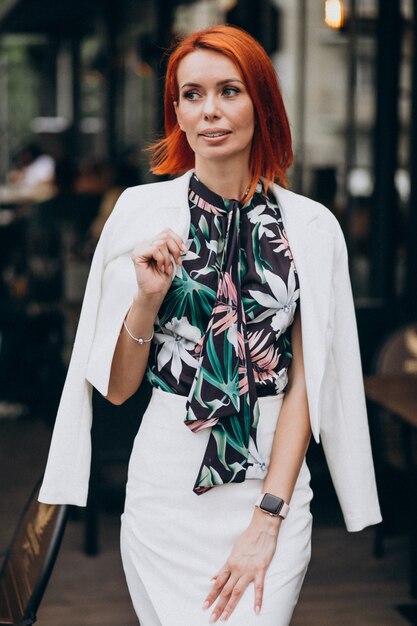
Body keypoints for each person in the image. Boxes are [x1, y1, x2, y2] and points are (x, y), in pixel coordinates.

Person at [39, 24, 382, 626]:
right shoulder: (139, 213)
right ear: (175, 110)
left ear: (261, 103)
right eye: (192, 95)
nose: (211, 111)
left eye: (229, 90)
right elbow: (118, 389)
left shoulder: (311, 228)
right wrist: (146, 299)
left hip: (269, 483)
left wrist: (268, 516)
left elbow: (305, 383)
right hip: (165, 487)